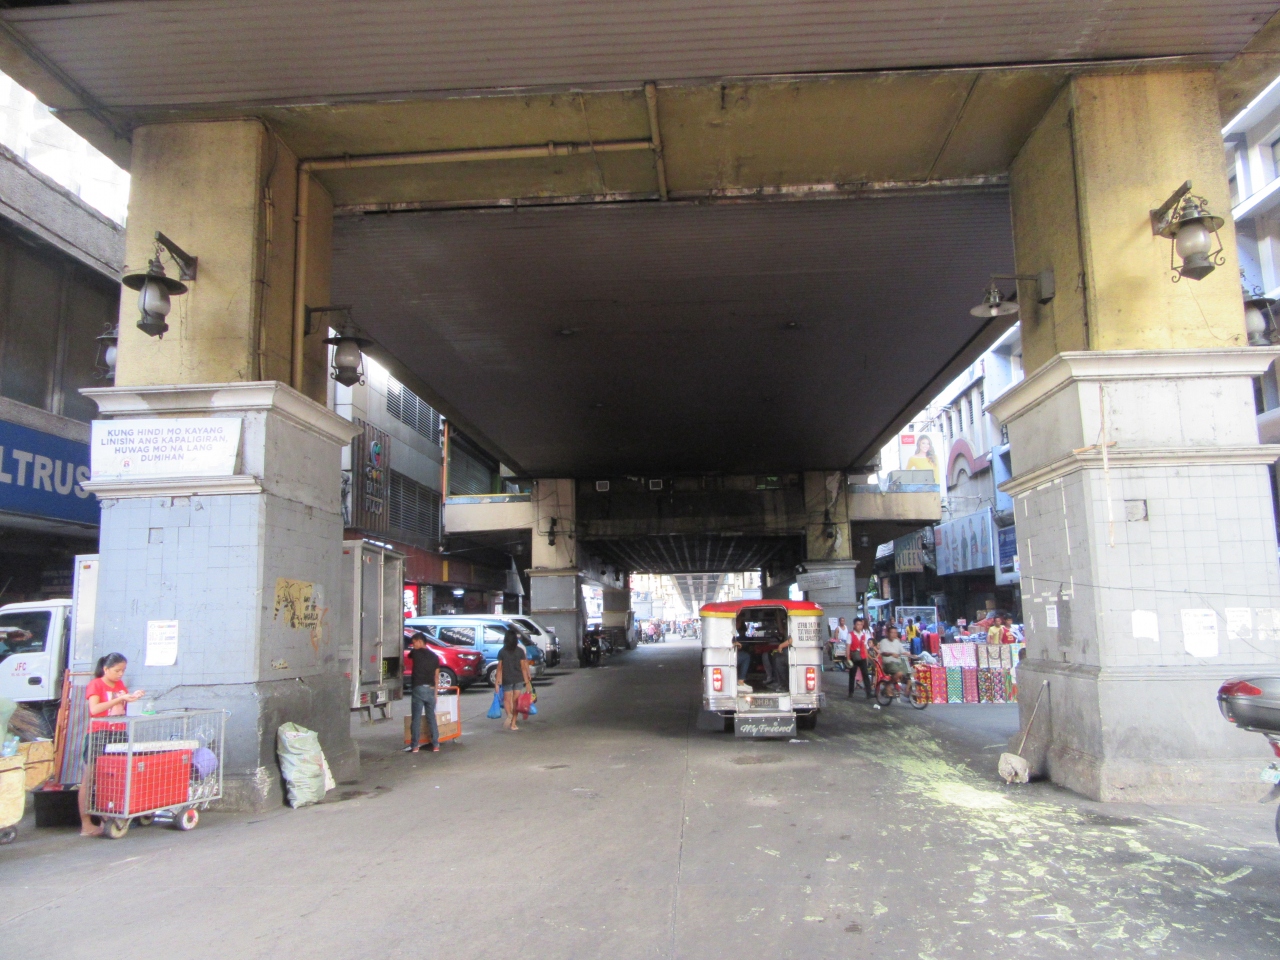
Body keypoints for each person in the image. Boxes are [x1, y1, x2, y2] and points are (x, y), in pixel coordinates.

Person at [80, 653, 145, 837]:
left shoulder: (120, 685)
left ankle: (109, 817)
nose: (120, 674)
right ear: (106, 669)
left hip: (118, 732)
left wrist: (132, 698)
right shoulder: (96, 684)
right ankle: (86, 824)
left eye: (123, 671)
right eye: (117, 670)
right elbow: (95, 709)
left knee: (115, 776)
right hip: (99, 733)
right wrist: (118, 699)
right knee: (90, 777)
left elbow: (121, 708)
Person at [405, 633, 441, 754]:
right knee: (431, 717)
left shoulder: (415, 653)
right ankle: (435, 745)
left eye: (414, 642)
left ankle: (415, 745)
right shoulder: (435, 656)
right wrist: (435, 693)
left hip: (418, 689)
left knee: (416, 718)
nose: (413, 645)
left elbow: (409, 655)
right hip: (431, 689)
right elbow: (436, 676)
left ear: (420, 642)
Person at [494, 628, 532, 731]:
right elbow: (523, 667)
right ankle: (513, 724)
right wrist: (527, 682)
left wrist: (497, 683)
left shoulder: (502, 652)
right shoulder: (520, 651)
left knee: (507, 700)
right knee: (516, 702)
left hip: (507, 679)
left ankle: (509, 715)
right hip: (518, 678)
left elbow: (499, 668)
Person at [847, 617, 874, 699]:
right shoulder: (850, 634)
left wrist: (866, 658)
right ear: (854, 626)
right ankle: (851, 692)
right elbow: (848, 647)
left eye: (861, 625)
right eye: (857, 624)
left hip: (862, 657)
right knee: (852, 675)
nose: (859, 626)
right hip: (854, 657)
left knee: (865, 674)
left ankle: (869, 693)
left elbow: (865, 647)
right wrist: (848, 658)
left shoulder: (863, 635)